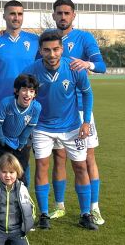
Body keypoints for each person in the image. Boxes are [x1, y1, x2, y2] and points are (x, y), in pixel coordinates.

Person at [23, 30, 98, 230]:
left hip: (72, 126)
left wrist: (86, 121)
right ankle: (44, 214)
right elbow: (25, 98)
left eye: (56, 49)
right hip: (42, 128)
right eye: (47, 50)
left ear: (62, 49)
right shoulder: (31, 70)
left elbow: (87, 94)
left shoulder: (74, 68)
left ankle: (85, 214)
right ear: (40, 50)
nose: (52, 54)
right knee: (42, 166)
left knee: (81, 167)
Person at [48, 0, 107, 225]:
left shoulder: (84, 37)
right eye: (59, 13)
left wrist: (87, 64)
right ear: (53, 16)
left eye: (66, 13)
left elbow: (100, 66)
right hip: (56, 111)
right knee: (58, 157)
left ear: (73, 15)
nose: (62, 17)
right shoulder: (48, 39)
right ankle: (59, 206)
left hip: (82, 111)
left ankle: (94, 208)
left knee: (88, 158)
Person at [0, 0, 40, 187]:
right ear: (4, 16)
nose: (16, 17)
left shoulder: (34, 40)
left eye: (19, 14)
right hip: (1, 105)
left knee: (24, 155)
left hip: (26, 107)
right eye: (12, 13)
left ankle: (23, 198)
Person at [0, 74, 42, 187]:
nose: (28, 94)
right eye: (24, 90)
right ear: (16, 91)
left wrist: (22, 142)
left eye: (31, 91)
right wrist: (2, 141)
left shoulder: (36, 107)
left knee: (21, 170)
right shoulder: (6, 103)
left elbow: (30, 127)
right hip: (2, 139)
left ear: (35, 94)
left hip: (20, 142)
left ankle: (22, 198)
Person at [0, 153, 35, 245]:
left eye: (11, 172)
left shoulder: (22, 189)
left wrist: (28, 222)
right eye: (4, 172)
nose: (8, 175)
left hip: (17, 230)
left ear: (17, 173)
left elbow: (31, 206)